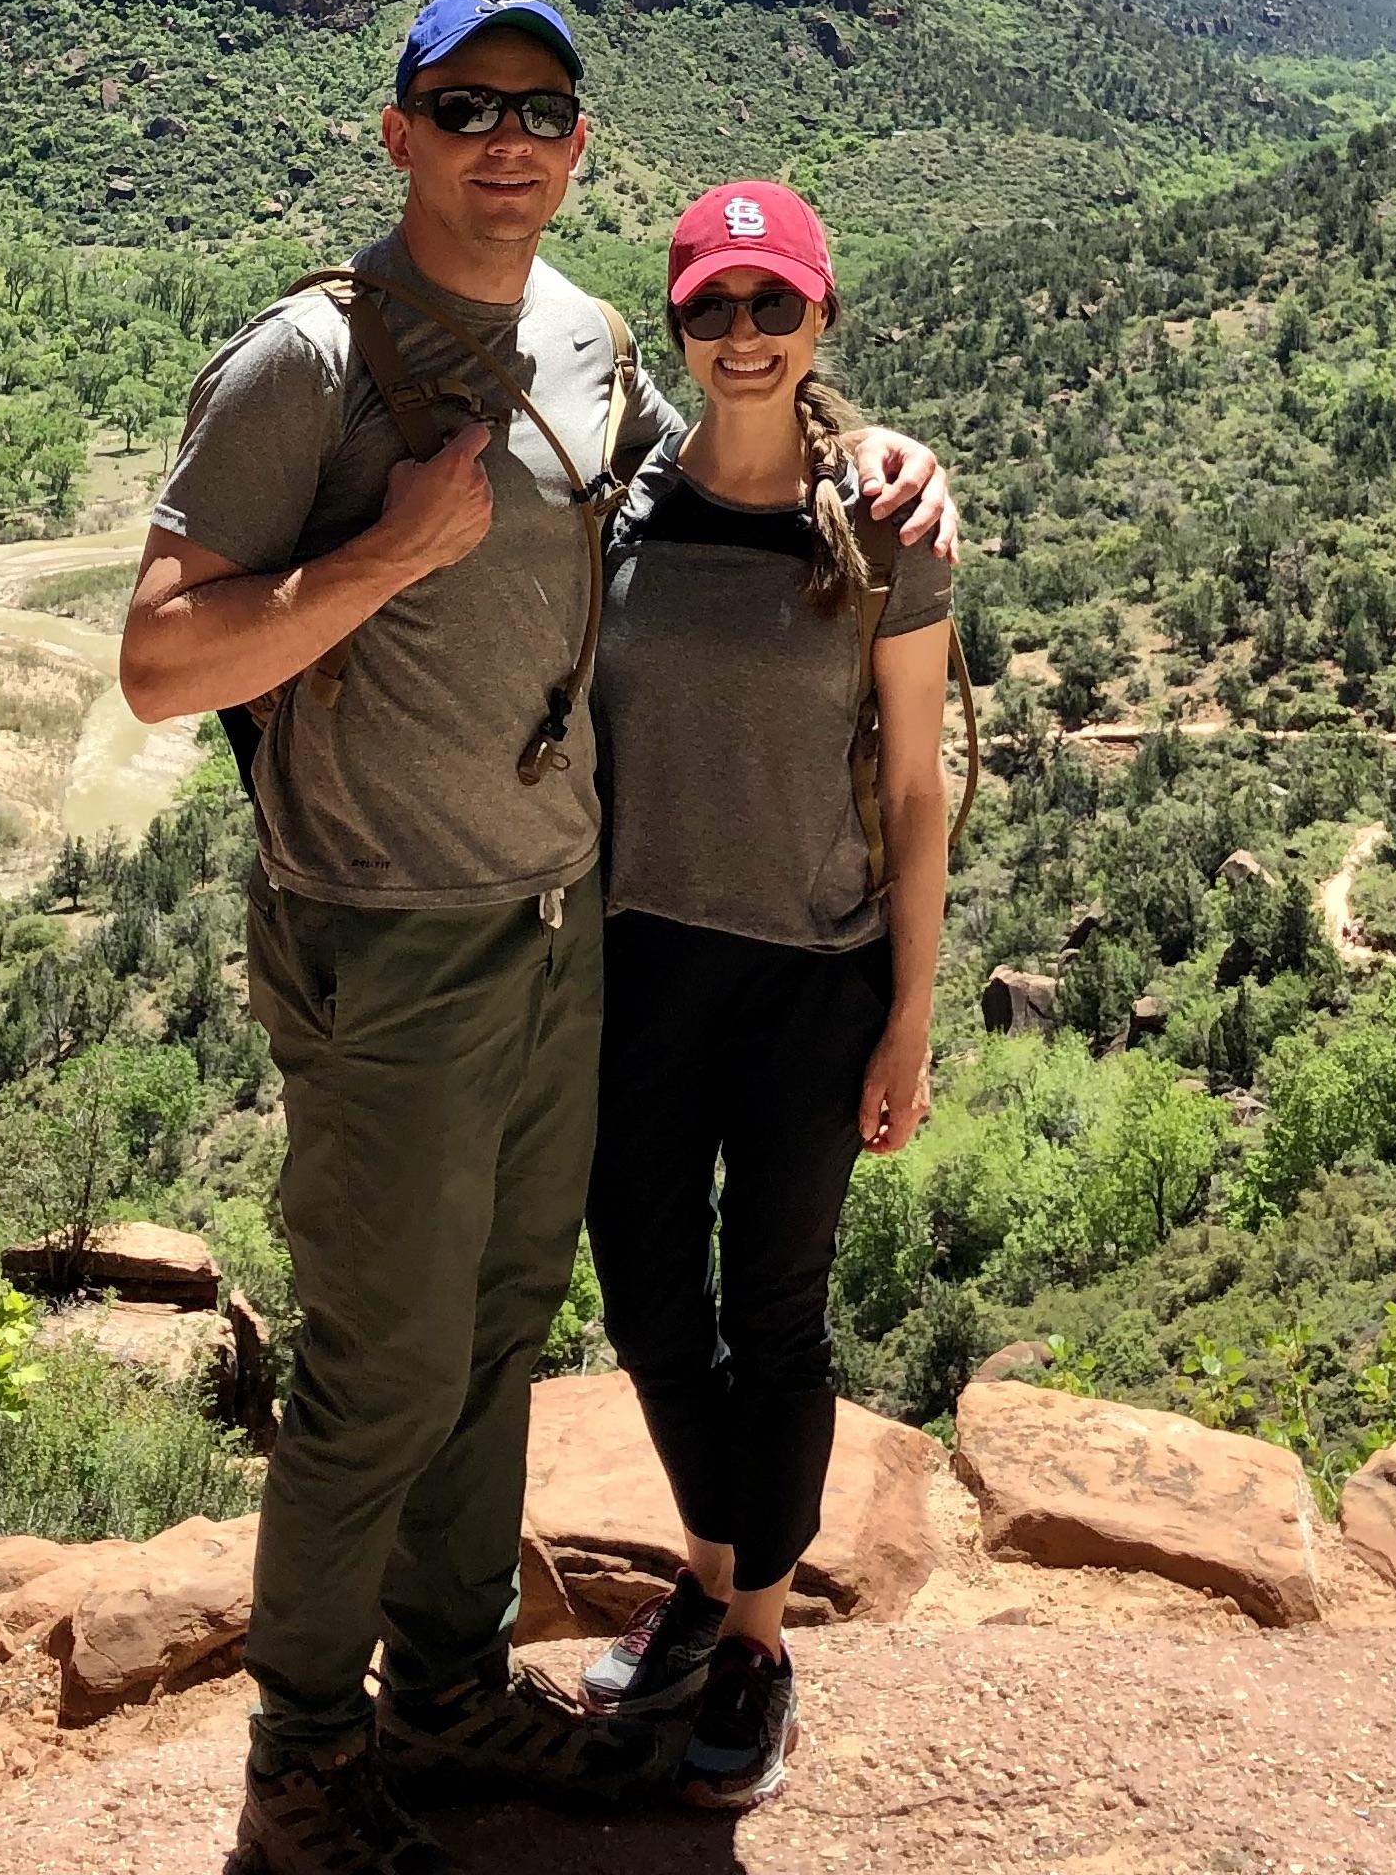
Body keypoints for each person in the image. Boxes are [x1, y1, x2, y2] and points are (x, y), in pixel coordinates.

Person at [119, 0, 953, 1875]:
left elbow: (748, 457)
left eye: (545, 109)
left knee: (500, 1330)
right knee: (380, 1366)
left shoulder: (590, 342)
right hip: (385, 929)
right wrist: (386, 557)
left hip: (566, 927)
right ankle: (304, 1766)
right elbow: (162, 663)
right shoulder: (307, 365)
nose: (510, 136)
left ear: (580, 147)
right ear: (397, 130)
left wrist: (897, 459)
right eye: (468, 103)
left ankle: (447, 1684)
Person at [575, 179, 955, 1812]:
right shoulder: (618, 504)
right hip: (641, 957)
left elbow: (922, 788)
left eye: (772, 306)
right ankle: (713, 1566)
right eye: (713, 309)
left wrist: (911, 1016)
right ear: (676, 326)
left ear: (822, 320)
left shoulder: (885, 526)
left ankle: (756, 1639)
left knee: (773, 1315)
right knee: (651, 1304)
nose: (743, 337)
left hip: (816, 970)